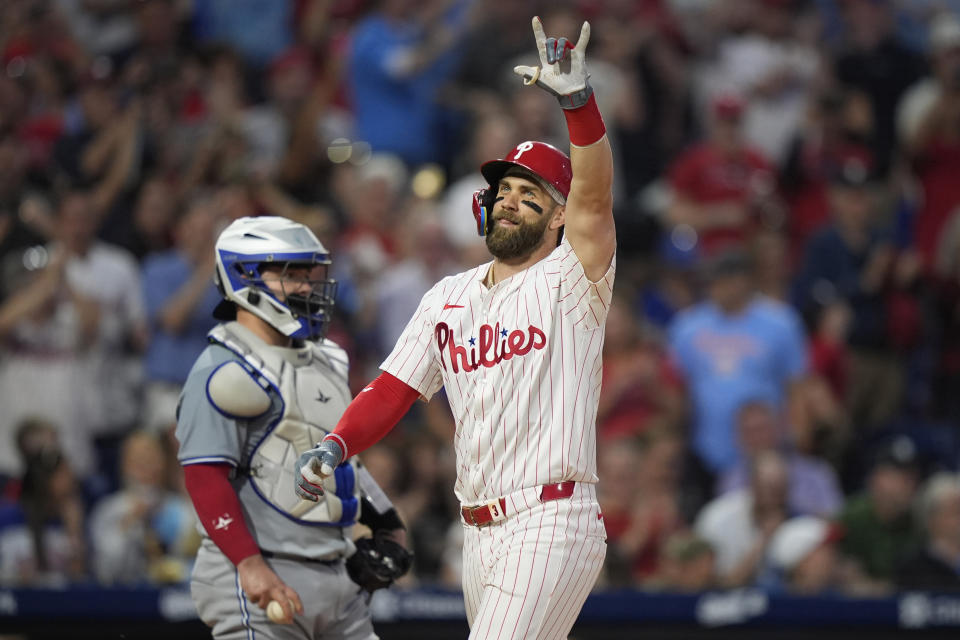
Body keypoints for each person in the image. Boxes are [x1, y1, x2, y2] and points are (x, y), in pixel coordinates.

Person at [296, 16, 615, 640]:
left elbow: (597, 202)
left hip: (550, 517)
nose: (510, 198)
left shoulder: (573, 278)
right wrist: (336, 444)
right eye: (504, 188)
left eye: (532, 192)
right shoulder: (449, 297)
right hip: (478, 532)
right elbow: (392, 390)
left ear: (557, 217)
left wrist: (577, 105)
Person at [175, 216, 410, 639]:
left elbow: (338, 458)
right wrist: (248, 563)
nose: (306, 286)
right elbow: (204, 477)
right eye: (290, 274)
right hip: (262, 573)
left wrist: (387, 524)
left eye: (308, 273)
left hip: (339, 575)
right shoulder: (222, 369)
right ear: (243, 276)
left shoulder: (327, 358)